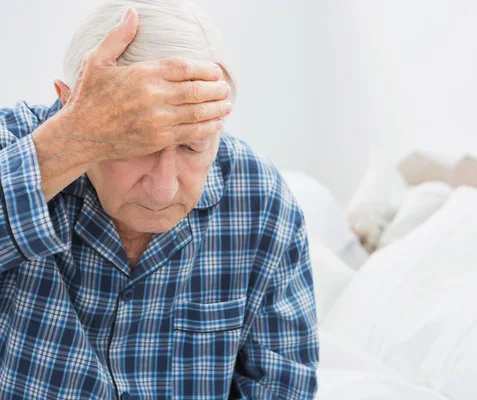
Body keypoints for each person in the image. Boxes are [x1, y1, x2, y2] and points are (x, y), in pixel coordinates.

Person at [0, 1, 318, 399]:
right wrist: (74, 138)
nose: (164, 190)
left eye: (192, 147)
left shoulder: (262, 201)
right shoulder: (11, 144)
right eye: (136, 144)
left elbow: (282, 386)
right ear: (69, 106)